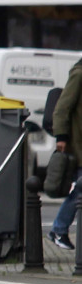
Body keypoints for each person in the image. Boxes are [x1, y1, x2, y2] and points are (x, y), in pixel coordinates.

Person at [48, 56, 82, 250]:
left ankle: (58, 230)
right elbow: (62, 108)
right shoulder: (79, 74)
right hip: (79, 144)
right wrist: (61, 136)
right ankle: (58, 230)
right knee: (80, 188)